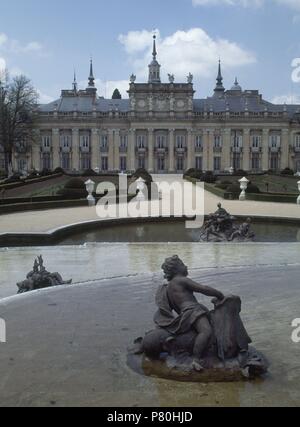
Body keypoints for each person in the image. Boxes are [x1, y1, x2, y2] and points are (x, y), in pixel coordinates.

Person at [155, 256, 224, 371]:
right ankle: (196, 359)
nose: (186, 266)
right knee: (206, 331)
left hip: (184, 315)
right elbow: (203, 288)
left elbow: (169, 307)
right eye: (183, 264)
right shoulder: (181, 280)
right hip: (193, 311)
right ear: (176, 269)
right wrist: (219, 294)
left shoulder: (168, 287)